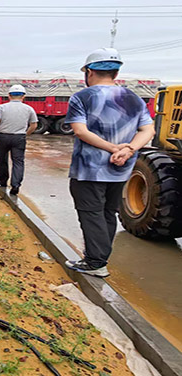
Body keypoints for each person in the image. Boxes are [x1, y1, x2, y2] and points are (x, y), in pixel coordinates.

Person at [64, 48, 156, 278]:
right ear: (116, 72)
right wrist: (129, 149)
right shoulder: (134, 98)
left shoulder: (82, 97)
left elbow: (80, 131)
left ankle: (95, 263)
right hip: (120, 170)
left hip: (89, 169)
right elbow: (148, 130)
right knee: (107, 212)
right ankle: (100, 257)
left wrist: (113, 148)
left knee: (91, 213)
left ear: (89, 72)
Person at [0, 84, 38, 195]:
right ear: (23, 96)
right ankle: (15, 185)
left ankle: (3, 181)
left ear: (9, 96)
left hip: (3, 137)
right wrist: (25, 134)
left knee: (2, 160)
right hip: (19, 137)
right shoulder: (29, 109)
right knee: (18, 162)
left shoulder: (2, 107)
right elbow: (34, 125)